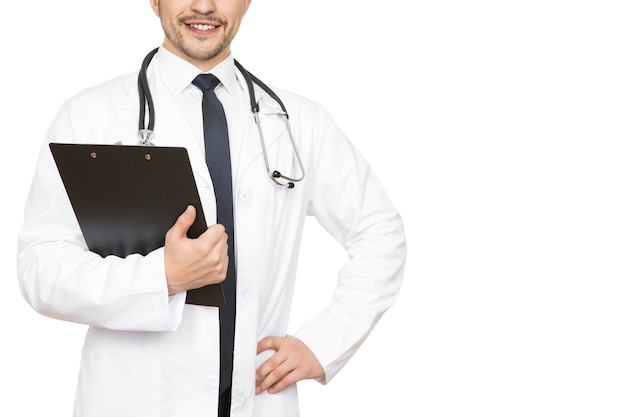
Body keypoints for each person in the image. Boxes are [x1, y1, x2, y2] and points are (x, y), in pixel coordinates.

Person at [16, 0, 407, 416]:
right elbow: (40, 268)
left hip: (257, 397)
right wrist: (160, 276)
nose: (204, 6)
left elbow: (380, 231)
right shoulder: (91, 115)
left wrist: (325, 341)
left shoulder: (295, 121)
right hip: (135, 400)